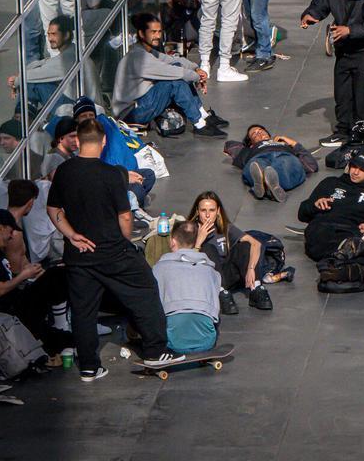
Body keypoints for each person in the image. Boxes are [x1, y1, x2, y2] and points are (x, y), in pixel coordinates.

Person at [46, 119, 181, 380]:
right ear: (104, 141)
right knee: (144, 290)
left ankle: (89, 366)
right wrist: (124, 240)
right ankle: (155, 351)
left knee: (83, 311)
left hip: (78, 255)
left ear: (78, 141)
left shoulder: (64, 171)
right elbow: (125, 216)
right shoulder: (110, 174)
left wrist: (72, 235)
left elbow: (53, 210)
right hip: (113, 252)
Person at [0, 209, 70, 353]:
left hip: (16, 301)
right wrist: (24, 275)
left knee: (57, 275)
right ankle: (62, 325)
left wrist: (27, 275)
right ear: (0, 228)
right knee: (56, 275)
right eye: (10, 231)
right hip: (8, 309)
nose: (11, 236)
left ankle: (64, 326)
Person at [302, 0, 364, 147]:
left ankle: (360, 133)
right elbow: (319, 6)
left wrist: (350, 31)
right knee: (342, 94)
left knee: (361, 95)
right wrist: (310, 15)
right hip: (344, 53)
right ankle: (343, 131)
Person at [111, 13, 228, 138]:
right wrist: (198, 77)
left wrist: (196, 68)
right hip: (130, 114)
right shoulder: (139, 58)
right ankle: (199, 124)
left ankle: (203, 115)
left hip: (141, 104)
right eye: (153, 32)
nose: (157, 36)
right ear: (141, 33)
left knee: (178, 68)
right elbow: (177, 73)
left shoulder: (146, 52)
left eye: (159, 32)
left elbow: (173, 61)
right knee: (174, 81)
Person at [188, 191, 274, 313]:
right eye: (203, 210)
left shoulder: (224, 227)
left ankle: (256, 288)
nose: (207, 215)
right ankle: (221, 293)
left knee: (244, 245)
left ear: (218, 211)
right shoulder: (190, 229)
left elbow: (256, 244)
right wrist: (199, 241)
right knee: (208, 249)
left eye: (211, 210)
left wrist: (251, 268)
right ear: (197, 211)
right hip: (207, 278)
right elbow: (186, 263)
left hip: (227, 274)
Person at [296, 151, 364, 262]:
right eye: (354, 167)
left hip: (349, 228)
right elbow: (302, 214)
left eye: (362, 169)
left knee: (346, 240)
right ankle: (347, 252)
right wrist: (315, 205)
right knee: (318, 239)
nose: (356, 172)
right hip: (322, 224)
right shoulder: (330, 183)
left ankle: (347, 250)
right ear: (348, 166)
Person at [71, 98, 157, 215]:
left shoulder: (99, 130)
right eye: (84, 116)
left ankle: (133, 200)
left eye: (91, 115)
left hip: (113, 175)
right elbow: (94, 174)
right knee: (137, 188)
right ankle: (132, 203)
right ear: (76, 119)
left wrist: (126, 174)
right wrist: (124, 177)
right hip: (103, 185)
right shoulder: (78, 139)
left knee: (148, 175)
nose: (88, 118)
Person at [153, 221, 223, 354]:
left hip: (172, 341)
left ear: (172, 241)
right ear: (196, 241)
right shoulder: (211, 271)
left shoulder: (159, 269)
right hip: (207, 340)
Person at [224, 125, 318, 202]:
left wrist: (293, 143)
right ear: (251, 143)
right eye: (254, 134)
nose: (259, 132)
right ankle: (266, 182)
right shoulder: (249, 149)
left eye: (261, 130)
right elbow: (229, 144)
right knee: (255, 164)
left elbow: (311, 166)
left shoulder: (284, 144)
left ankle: (267, 184)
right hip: (259, 156)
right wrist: (247, 146)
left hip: (285, 155)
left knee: (285, 164)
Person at [8, 15, 75, 114]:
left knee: (32, 83)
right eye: (48, 34)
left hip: (79, 108)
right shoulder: (71, 51)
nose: (50, 38)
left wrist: (17, 81)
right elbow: (44, 63)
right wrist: (19, 77)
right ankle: (24, 117)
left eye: (54, 34)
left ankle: (21, 119)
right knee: (31, 80)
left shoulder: (68, 59)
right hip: (74, 102)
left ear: (66, 35)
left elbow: (39, 73)